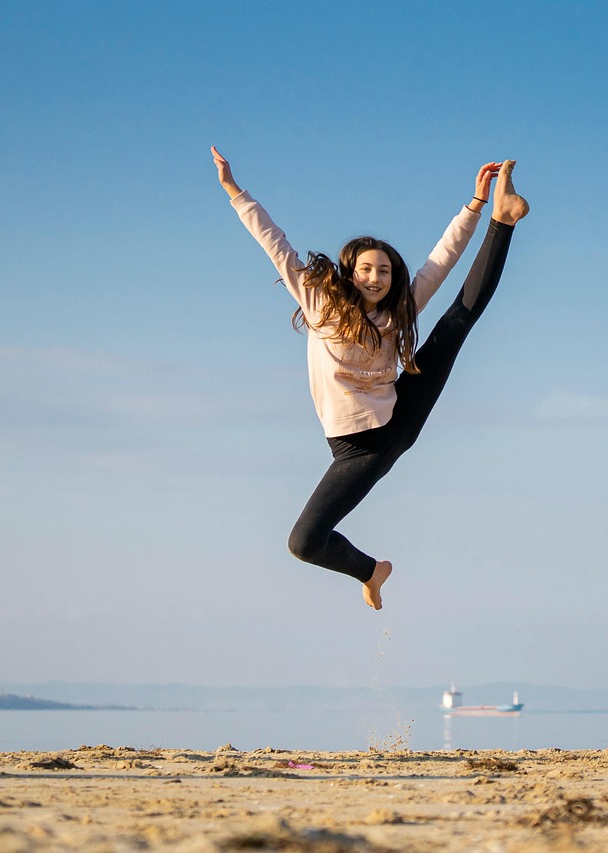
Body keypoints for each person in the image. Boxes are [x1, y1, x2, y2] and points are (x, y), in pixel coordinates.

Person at [212, 146, 529, 610]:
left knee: (458, 321)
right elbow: (274, 243)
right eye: (366, 269)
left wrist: (476, 206)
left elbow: (440, 261)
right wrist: (235, 191)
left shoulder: (399, 310)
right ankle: (371, 571)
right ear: (350, 272)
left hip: (390, 425)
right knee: (304, 542)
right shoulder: (318, 302)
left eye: (384, 270)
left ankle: (505, 219)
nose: (376, 277)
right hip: (351, 448)